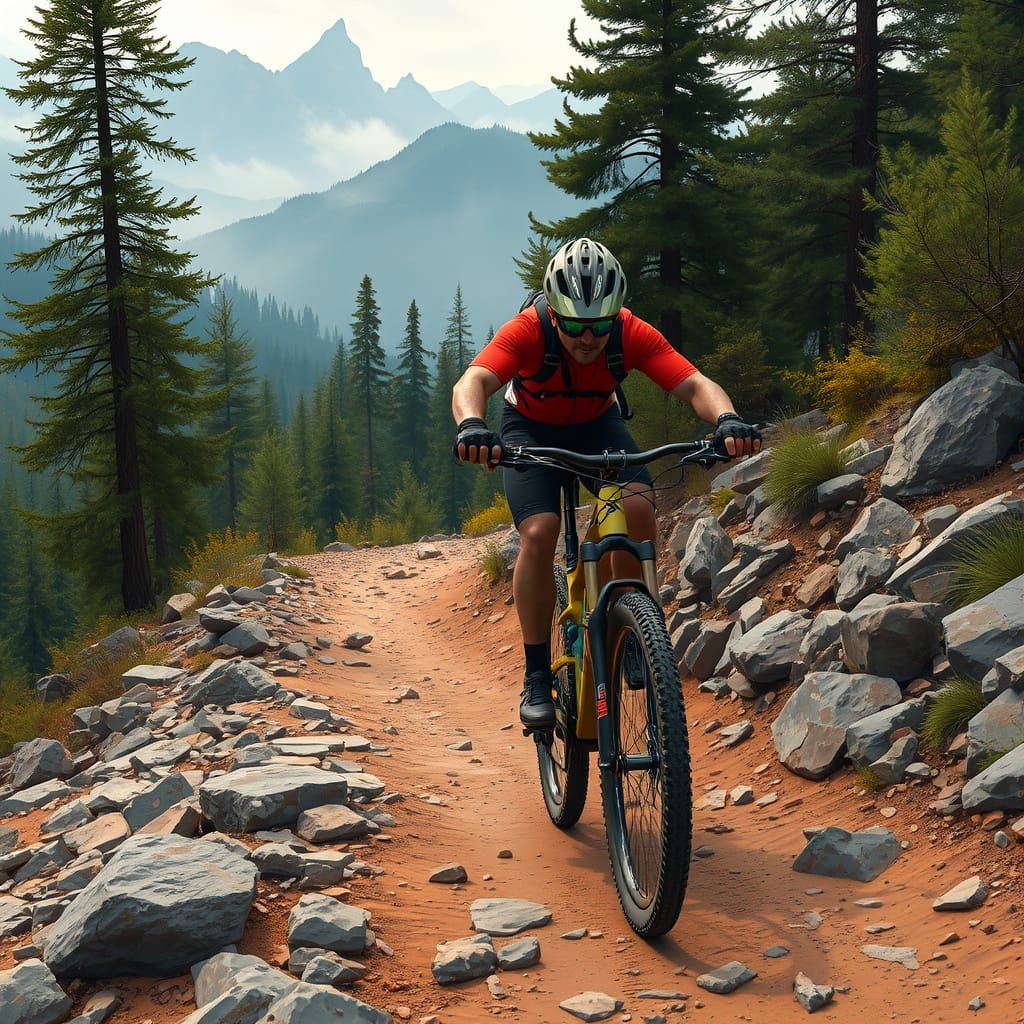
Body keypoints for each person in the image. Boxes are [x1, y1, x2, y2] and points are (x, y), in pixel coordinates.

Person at [451, 238, 761, 729]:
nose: (588, 337)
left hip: (599, 425)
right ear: (554, 314)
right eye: (575, 325)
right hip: (527, 429)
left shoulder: (628, 331)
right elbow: (472, 382)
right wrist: (471, 425)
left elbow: (694, 383)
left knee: (637, 507)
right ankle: (536, 676)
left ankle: (632, 629)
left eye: (600, 324)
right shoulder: (528, 330)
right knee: (539, 531)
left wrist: (727, 419)